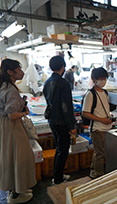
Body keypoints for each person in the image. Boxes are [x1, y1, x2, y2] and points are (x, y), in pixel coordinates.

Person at [0, 59, 36, 204]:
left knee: (8, 157)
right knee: (18, 157)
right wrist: (24, 112)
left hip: (3, 125)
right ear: (10, 72)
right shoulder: (11, 90)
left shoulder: (2, 85)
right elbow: (13, 115)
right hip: (11, 126)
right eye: (18, 69)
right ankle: (15, 194)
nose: (22, 72)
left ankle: (15, 189)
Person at [43, 56, 77, 185]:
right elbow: (66, 106)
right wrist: (71, 126)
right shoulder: (63, 83)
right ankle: (57, 180)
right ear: (63, 67)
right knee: (62, 151)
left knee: (59, 149)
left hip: (52, 120)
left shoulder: (47, 82)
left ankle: (58, 176)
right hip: (62, 122)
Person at [82, 67, 112, 179]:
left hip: (106, 127)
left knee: (100, 152)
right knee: (100, 154)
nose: (103, 81)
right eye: (100, 79)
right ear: (94, 79)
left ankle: (94, 171)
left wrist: (107, 118)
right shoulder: (90, 94)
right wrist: (102, 119)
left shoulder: (105, 93)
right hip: (97, 128)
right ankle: (99, 176)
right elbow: (85, 113)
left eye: (105, 78)